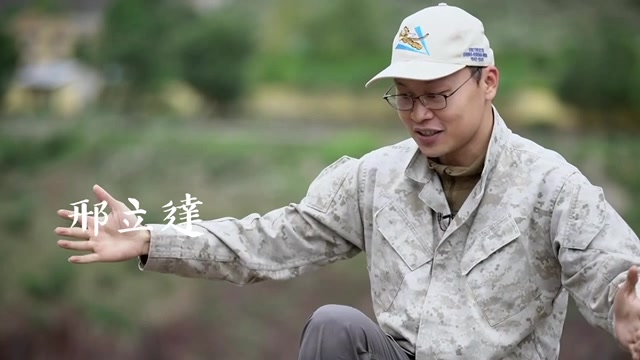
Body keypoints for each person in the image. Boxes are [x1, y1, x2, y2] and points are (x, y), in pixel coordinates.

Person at [55, 3, 640, 360]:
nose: (420, 114)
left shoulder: (551, 187)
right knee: (336, 326)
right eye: (404, 98)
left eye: (436, 94)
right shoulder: (375, 178)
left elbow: (613, 270)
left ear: (488, 81)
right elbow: (272, 240)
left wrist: (626, 305)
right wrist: (152, 241)